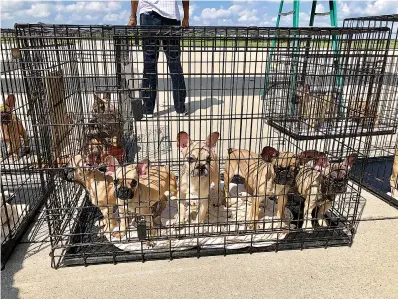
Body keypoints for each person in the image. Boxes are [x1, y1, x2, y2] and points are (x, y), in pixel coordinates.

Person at [129, 0, 189, 117]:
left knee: (149, 62)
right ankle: (180, 107)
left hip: (148, 14)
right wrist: (186, 17)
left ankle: (147, 109)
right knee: (174, 62)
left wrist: (133, 17)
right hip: (171, 16)